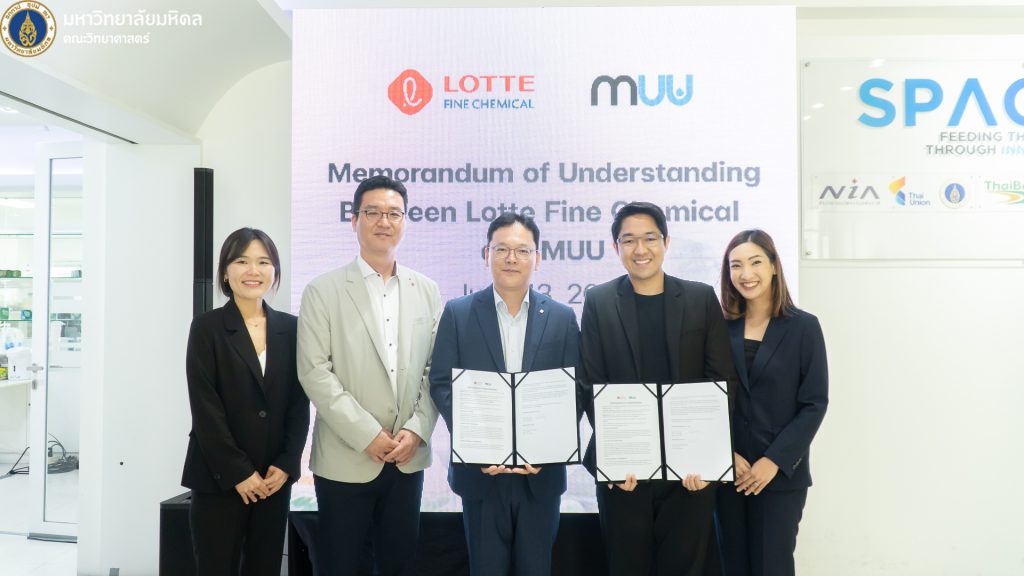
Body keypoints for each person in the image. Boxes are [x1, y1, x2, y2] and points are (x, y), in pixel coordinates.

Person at [579, 202, 736, 576]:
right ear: (616, 247)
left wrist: (707, 456)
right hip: (625, 471)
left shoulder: (700, 298)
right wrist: (616, 454)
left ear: (666, 242)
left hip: (690, 472)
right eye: (629, 240)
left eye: (650, 238)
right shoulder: (599, 301)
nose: (640, 249)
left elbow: (722, 382)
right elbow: (589, 383)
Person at [297, 175, 441, 576]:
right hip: (345, 457)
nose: (384, 221)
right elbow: (315, 372)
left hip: (407, 457)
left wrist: (416, 430)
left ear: (405, 221)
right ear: (354, 220)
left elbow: (436, 371)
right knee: (341, 565)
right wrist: (368, 435)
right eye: (373, 212)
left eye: (394, 213)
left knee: (399, 565)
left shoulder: (427, 290)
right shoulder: (323, 290)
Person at [429, 213, 580, 576]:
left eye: (522, 250)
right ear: (487, 255)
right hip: (481, 474)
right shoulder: (458, 313)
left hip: (540, 474)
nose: (511, 258)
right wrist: (476, 441)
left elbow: (575, 389)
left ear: (537, 258)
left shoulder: (561, 317)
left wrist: (548, 444)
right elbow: (441, 383)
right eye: (502, 249)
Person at [181, 227, 310, 576]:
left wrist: (287, 463)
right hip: (219, 477)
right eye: (242, 261)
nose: (253, 270)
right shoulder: (206, 327)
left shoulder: (292, 328)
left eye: (263, 262)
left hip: (272, 479)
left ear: (275, 271)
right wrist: (239, 472)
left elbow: (299, 403)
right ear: (225, 272)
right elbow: (205, 409)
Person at [714, 229, 828, 576]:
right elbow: (706, 397)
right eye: (736, 265)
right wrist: (724, 453)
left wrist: (774, 460)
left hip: (779, 479)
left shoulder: (804, 327)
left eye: (755, 262)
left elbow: (814, 403)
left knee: (772, 567)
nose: (746, 274)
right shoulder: (719, 328)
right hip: (729, 474)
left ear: (774, 266)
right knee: (731, 566)